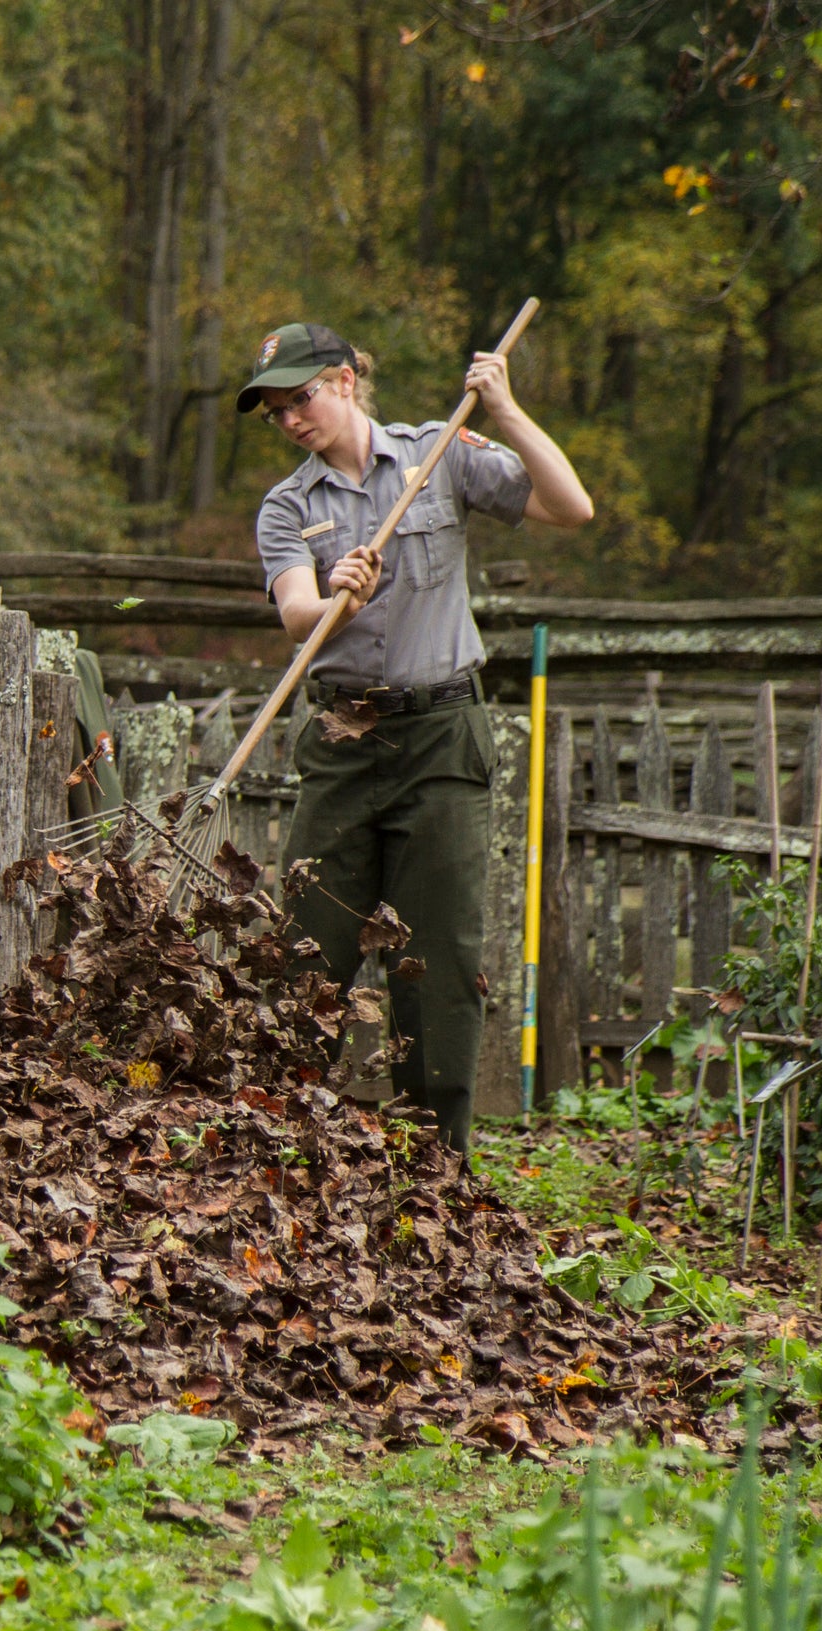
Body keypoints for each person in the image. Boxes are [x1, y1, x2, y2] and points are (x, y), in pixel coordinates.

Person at [239, 322, 592, 1155]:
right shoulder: (288, 506)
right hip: (340, 741)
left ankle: (437, 1165)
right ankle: (280, 1153)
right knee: (307, 950)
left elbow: (569, 508)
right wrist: (337, 596)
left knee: (435, 961)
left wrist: (505, 409)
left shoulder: (443, 454)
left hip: (442, 736)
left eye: (302, 398)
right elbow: (296, 616)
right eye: (275, 411)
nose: (290, 419)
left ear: (346, 380)